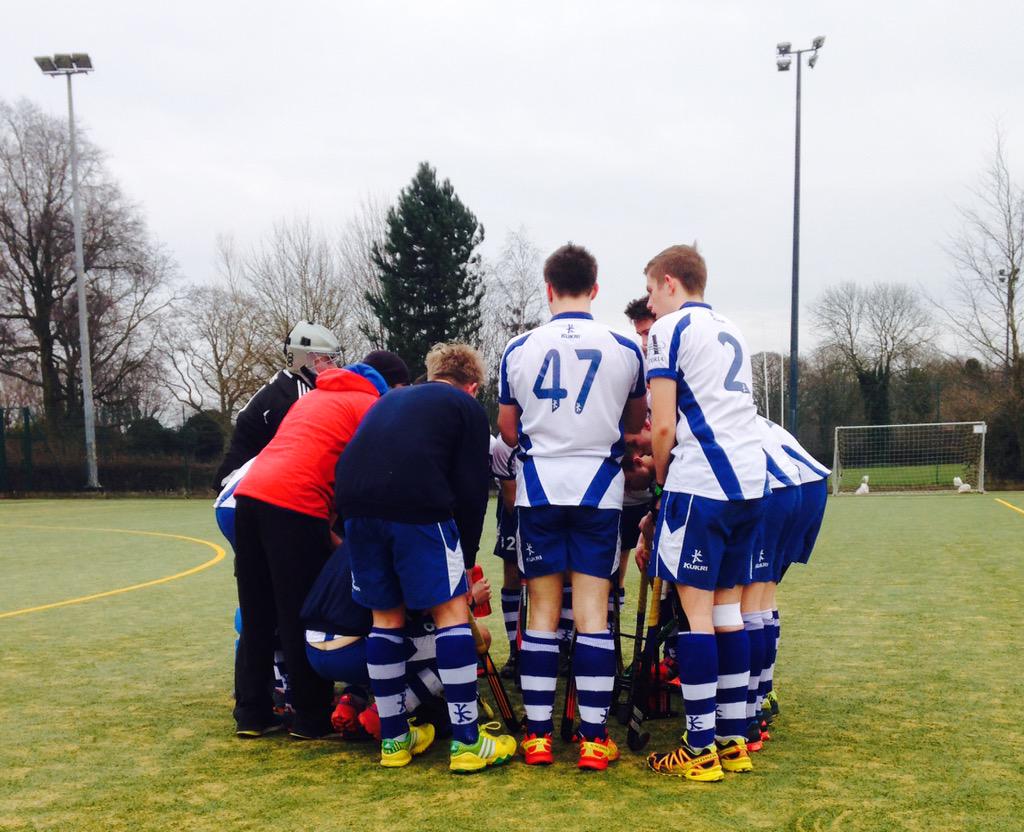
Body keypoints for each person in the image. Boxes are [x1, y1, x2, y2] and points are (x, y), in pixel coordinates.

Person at [497, 243, 647, 770]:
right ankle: (592, 739)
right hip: (598, 494)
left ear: (547, 288)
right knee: (591, 615)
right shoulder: (627, 347)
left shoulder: (517, 348)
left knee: (540, 611)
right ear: (596, 289)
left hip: (538, 490)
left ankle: (537, 738)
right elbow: (634, 425)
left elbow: (508, 428)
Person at [335, 343, 516, 772]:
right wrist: (465, 563)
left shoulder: (391, 398)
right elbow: (472, 491)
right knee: (452, 614)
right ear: (472, 386)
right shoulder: (465, 407)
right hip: (415, 505)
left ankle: (395, 740)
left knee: (386, 618)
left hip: (354, 506)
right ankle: (468, 742)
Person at [638, 243, 766, 782]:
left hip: (702, 481)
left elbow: (663, 426)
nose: (650, 302)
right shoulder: (731, 327)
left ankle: (698, 747)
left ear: (669, 282)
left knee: (695, 620)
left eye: (649, 290)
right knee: (727, 612)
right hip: (750, 480)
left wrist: (662, 476)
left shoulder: (668, 331)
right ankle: (734, 740)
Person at [231, 360, 393, 740]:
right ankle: (309, 717)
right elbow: (362, 478)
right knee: (297, 612)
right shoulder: (369, 407)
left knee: (257, 613)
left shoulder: (312, 398)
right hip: (296, 504)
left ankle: (252, 713)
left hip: (250, 497)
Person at [758, 418, 830, 723]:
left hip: (780, 488)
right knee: (762, 595)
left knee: (746, 598)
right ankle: (762, 690)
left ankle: (752, 695)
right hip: (806, 485)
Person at [213, 321, 342, 490]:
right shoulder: (296, 396)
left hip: (249, 481)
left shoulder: (288, 383)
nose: (333, 367)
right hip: (241, 485)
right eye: (326, 360)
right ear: (302, 359)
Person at [740, 416, 803, 751]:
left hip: (769, 487)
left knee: (742, 603)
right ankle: (761, 698)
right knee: (762, 598)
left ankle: (749, 715)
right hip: (797, 485)